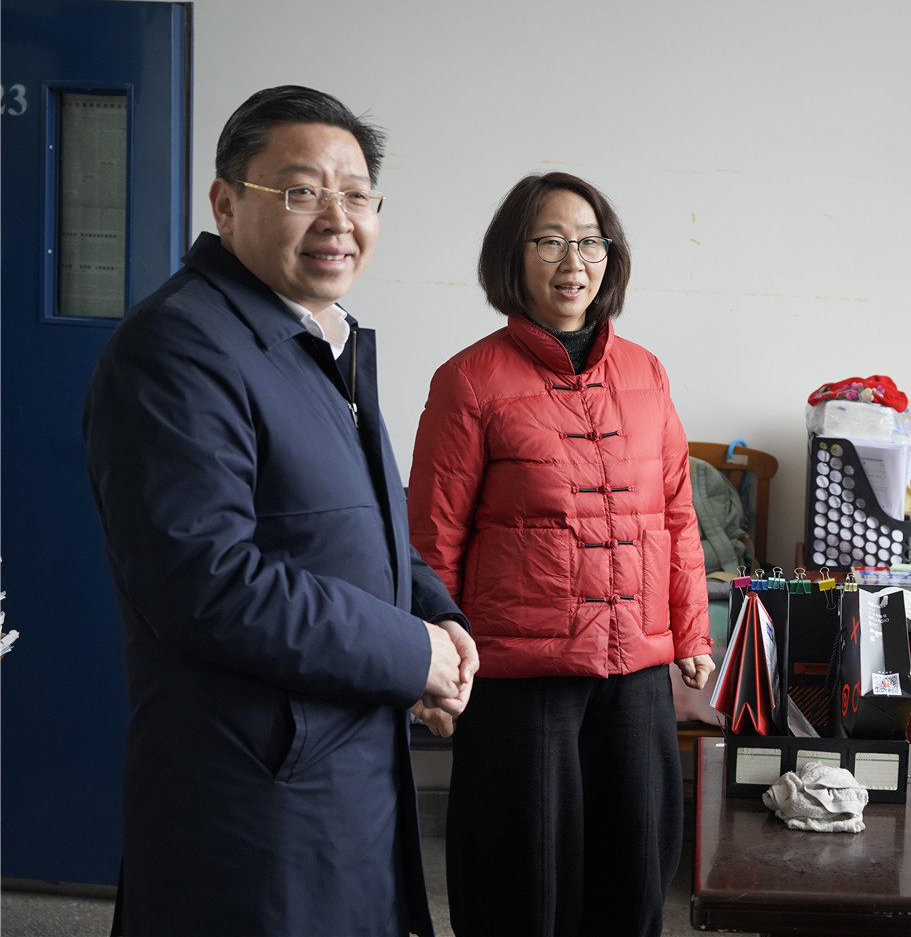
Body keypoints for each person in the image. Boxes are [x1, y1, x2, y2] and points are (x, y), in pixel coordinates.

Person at [82, 85, 478, 937]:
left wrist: (438, 615)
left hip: (346, 767)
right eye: (302, 191)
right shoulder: (178, 347)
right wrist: (412, 652)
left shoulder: (320, 338)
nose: (338, 219)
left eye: (357, 195)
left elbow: (362, 525)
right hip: (252, 797)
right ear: (225, 204)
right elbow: (208, 582)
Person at [406, 172, 715, 937]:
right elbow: (433, 539)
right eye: (550, 242)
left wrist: (691, 632)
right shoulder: (468, 381)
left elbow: (675, 514)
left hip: (634, 672)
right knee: (520, 886)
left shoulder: (646, 373)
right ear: (513, 256)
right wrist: (429, 663)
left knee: (634, 872)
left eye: (589, 242)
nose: (573, 261)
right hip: (520, 678)